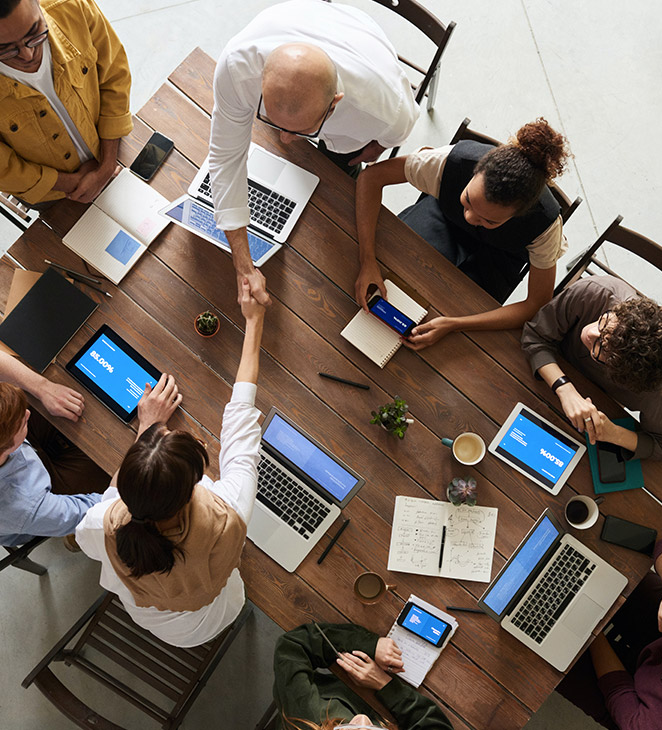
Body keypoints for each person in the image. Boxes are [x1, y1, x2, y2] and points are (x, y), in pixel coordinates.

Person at [76, 280, 265, 647]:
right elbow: (241, 420)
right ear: (193, 488)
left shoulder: (103, 523)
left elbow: (106, 507)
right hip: (215, 612)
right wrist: (255, 321)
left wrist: (145, 427)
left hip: (161, 625)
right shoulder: (228, 512)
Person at [210, 0, 419, 308]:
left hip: (359, 43)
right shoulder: (236, 67)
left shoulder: (385, 111)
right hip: (300, 20)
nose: (284, 139)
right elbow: (226, 159)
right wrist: (244, 264)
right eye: (271, 120)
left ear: (335, 104)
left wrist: (374, 149)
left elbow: (391, 137)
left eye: (300, 131)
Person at [354, 118, 570, 349]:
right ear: (475, 173)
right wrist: (367, 260)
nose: (470, 218)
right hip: (443, 218)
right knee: (396, 270)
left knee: (456, 323)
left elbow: (537, 303)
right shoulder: (450, 162)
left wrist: (454, 324)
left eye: (489, 219)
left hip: (500, 257)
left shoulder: (545, 226)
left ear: (519, 215)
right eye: (468, 201)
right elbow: (371, 178)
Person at [557, 538, 662, 730]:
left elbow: (616, 686)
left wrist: (589, 625)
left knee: (556, 660)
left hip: (633, 696)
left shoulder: (654, 725)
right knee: (617, 568)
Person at [521, 275, 662, 460]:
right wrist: (565, 389)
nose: (591, 332)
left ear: (622, 373)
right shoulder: (595, 292)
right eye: (605, 324)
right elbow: (535, 336)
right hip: (538, 376)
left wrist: (613, 433)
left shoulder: (653, 389)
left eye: (602, 348)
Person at [0, 0, 133, 206]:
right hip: (53, 194)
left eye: (35, 33)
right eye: (6, 50)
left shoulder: (71, 6)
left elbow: (114, 72)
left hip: (112, 148)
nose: (28, 55)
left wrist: (106, 166)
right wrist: (72, 183)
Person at [0, 350, 108, 546]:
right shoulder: (24, 506)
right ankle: (75, 538)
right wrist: (146, 436)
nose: (27, 414)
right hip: (39, 501)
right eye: (22, 422)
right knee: (112, 468)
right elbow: (101, 511)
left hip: (20, 455)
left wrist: (43, 388)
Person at [273, 622, 453, 730]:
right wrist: (385, 685)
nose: (362, 719)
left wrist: (369, 644)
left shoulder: (305, 714)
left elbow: (292, 648)